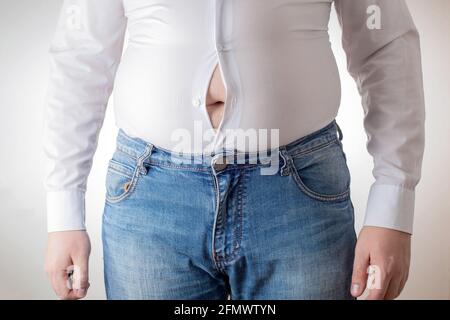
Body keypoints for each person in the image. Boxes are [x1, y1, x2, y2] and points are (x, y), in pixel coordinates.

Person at [43, 0, 425, 300]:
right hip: (151, 200)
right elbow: (82, 57)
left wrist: (393, 204)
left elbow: (384, 45)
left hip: (298, 198)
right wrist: (63, 212)